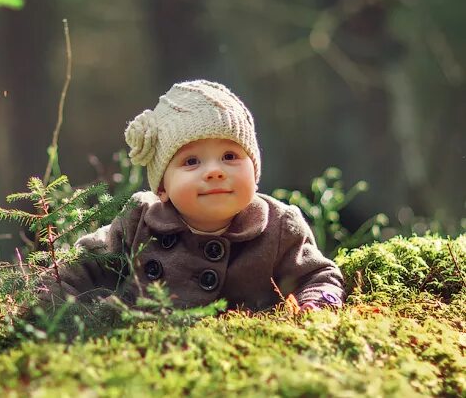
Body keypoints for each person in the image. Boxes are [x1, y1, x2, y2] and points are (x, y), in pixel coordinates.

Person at [39, 79, 344, 312]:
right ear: (162, 187)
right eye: (191, 162)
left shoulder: (278, 227)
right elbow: (83, 266)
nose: (214, 171)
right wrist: (49, 305)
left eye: (229, 156)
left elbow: (318, 276)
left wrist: (316, 304)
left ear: (254, 169)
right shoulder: (139, 223)